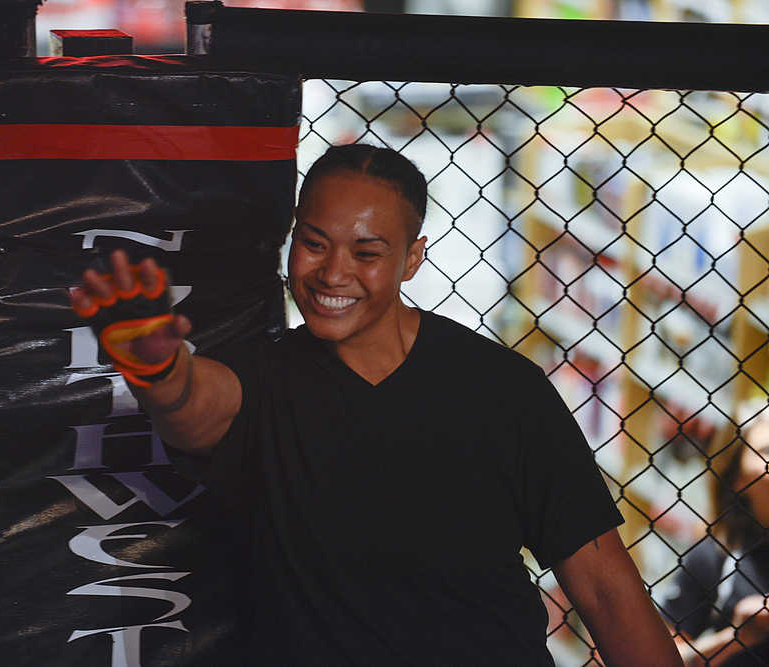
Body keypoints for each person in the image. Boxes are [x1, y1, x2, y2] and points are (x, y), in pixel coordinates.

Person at [70, 144, 682, 665]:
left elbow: (603, 586)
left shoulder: (503, 389)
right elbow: (192, 405)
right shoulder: (263, 375)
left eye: (366, 254)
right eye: (314, 244)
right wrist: (154, 366)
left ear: (411, 258)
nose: (333, 273)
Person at [659, 403, 769, 666]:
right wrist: (736, 637)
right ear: (738, 479)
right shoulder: (715, 556)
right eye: (766, 451)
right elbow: (662, 659)